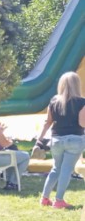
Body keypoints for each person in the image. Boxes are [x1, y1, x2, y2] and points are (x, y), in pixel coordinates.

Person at [35, 72, 85, 209]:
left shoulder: (54, 101)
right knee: (66, 170)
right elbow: (82, 124)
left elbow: (48, 122)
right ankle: (59, 200)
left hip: (56, 139)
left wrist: (39, 140)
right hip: (75, 139)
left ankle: (45, 198)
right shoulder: (81, 102)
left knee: (56, 168)